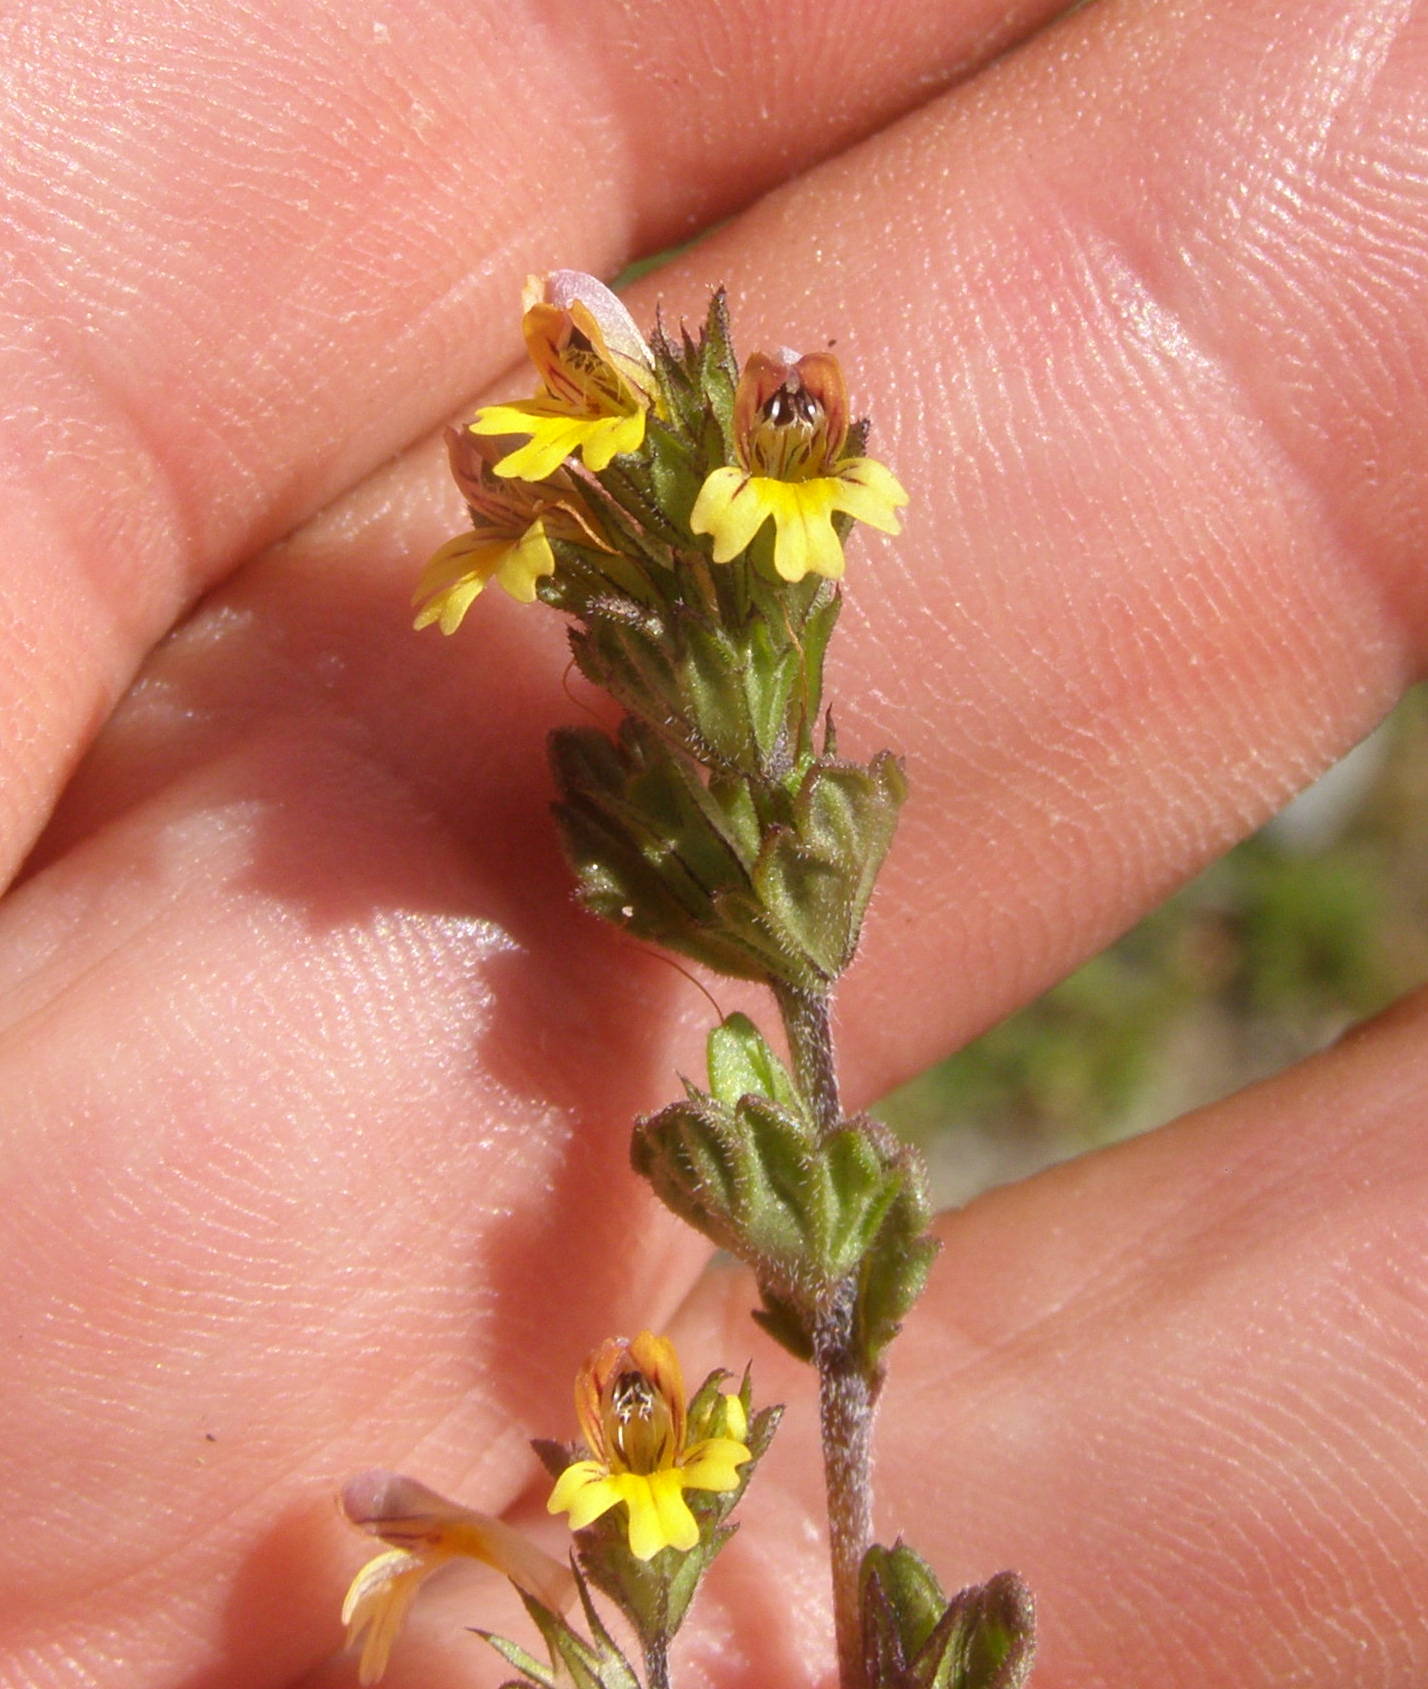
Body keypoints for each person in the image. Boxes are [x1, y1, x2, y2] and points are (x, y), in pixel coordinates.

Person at [3, 1, 1425, 1684]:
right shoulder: (600, 480)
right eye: (770, 424)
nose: (789, 435)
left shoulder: (783, 491)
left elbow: (782, 508)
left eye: (790, 423)